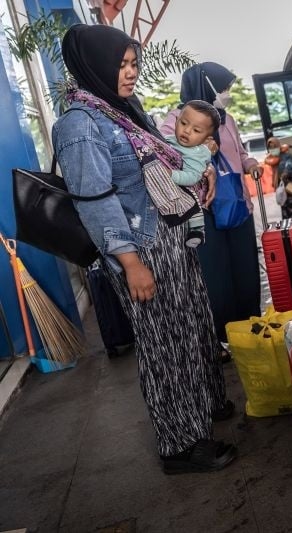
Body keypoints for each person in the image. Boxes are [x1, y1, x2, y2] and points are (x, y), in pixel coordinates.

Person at [52, 24, 236, 474]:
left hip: (168, 235)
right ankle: (180, 444)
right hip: (140, 248)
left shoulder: (121, 109)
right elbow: (95, 201)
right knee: (164, 344)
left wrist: (200, 170)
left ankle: (204, 405)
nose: (131, 72)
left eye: (133, 63)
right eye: (121, 64)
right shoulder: (79, 125)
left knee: (192, 325)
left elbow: (169, 154)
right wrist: (130, 263)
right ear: (94, 65)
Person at [160, 63, 262, 356]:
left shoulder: (227, 120)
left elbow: (239, 154)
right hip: (204, 213)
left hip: (237, 207)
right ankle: (226, 340)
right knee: (217, 279)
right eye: (224, 88)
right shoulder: (177, 120)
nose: (227, 94)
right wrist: (202, 154)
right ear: (207, 86)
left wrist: (250, 164)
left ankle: (251, 331)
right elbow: (167, 158)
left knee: (246, 273)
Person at [164, 100, 221, 247]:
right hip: (169, 193)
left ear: (206, 138)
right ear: (176, 121)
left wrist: (172, 174)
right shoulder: (166, 140)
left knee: (193, 206)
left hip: (187, 189)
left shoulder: (198, 154)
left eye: (196, 130)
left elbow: (192, 177)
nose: (187, 131)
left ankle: (197, 231)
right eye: (183, 123)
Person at [267, 136, 292, 219]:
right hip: (284, 194)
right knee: (287, 218)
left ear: (279, 146)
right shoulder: (273, 161)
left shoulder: (288, 157)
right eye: (270, 147)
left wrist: (288, 173)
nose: (272, 149)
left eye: (274, 147)